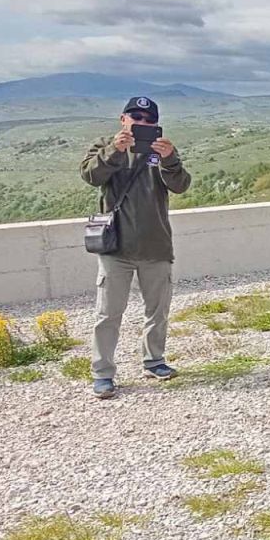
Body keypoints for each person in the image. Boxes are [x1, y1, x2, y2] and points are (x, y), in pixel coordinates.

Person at [80, 96, 191, 400]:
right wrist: (115, 150)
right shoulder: (104, 146)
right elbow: (91, 175)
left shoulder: (161, 150)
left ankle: (154, 361)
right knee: (108, 314)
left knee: (158, 311)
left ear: (155, 124)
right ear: (123, 119)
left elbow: (181, 185)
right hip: (116, 247)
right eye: (136, 118)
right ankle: (102, 373)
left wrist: (169, 159)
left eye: (147, 119)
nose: (141, 123)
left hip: (156, 245)